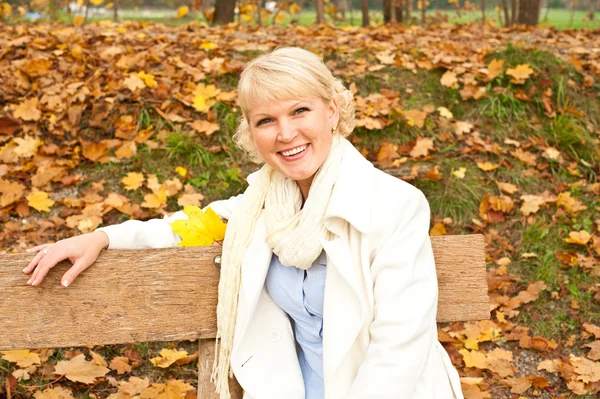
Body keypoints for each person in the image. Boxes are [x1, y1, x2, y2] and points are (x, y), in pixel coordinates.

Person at [23, 47, 464, 399]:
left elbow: (400, 344)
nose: (285, 133)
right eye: (266, 121)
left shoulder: (393, 206)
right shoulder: (260, 205)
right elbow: (188, 228)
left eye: (300, 111)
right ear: (251, 132)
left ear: (332, 111)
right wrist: (101, 237)